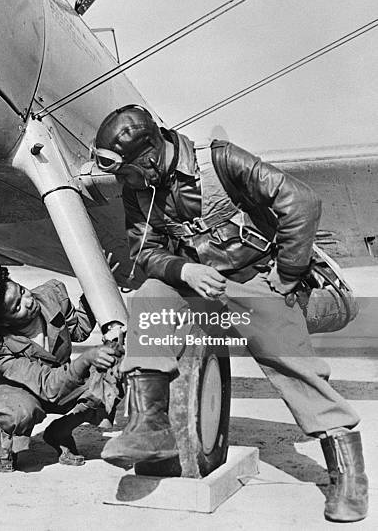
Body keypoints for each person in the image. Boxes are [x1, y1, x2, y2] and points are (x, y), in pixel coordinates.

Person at [91, 104, 368, 523]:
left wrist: (288, 276)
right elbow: (145, 252)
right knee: (149, 297)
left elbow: (302, 202)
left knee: (289, 360)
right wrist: (185, 269)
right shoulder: (140, 188)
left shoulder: (219, 160)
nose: (125, 183)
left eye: (129, 172)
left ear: (148, 157)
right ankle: (150, 427)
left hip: (257, 277)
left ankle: (348, 475)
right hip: (198, 281)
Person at [0, 263, 122, 472]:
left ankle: (60, 432)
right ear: (3, 322)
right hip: (18, 391)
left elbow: (79, 330)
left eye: (22, 291)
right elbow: (46, 385)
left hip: (60, 381)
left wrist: (96, 284)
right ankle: (9, 439)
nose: (28, 301)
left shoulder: (52, 295)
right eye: (17, 307)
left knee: (111, 378)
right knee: (21, 412)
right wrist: (85, 360)